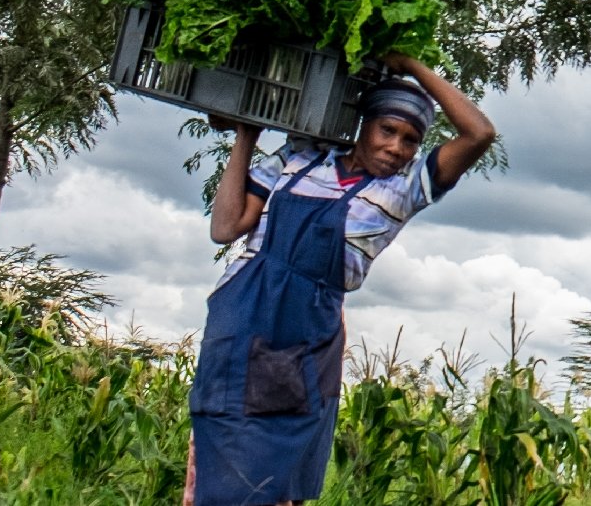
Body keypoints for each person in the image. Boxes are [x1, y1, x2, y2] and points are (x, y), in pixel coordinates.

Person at [185, 53, 496, 506]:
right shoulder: (302, 157)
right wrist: (246, 137)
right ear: (364, 125)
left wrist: (411, 66)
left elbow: (480, 132)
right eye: (387, 130)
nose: (396, 147)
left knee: (272, 471)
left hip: (304, 337)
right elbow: (225, 229)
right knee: (220, 446)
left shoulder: (405, 190)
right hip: (240, 320)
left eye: (411, 140)